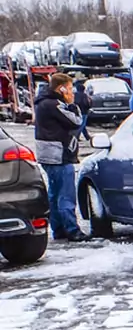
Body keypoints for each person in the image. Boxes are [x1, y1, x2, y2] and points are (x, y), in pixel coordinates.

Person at [34, 73, 89, 242]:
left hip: (47, 154)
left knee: (55, 192)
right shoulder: (55, 104)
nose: (72, 92)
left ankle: (58, 228)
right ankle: (72, 229)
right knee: (66, 193)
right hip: (58, 154)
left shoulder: (42, 102)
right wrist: (72, 105)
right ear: (61, 88)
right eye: (70, 88)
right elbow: (76, 121)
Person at [73, 78, 92, 142]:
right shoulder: (84, 95)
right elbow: (86, 103)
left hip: (76, 111)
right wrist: (89, 107)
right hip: (84, 112)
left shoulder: (74, 95)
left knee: (82, 125)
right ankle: (76, 137)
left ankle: (87, 137)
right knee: (82, 124)